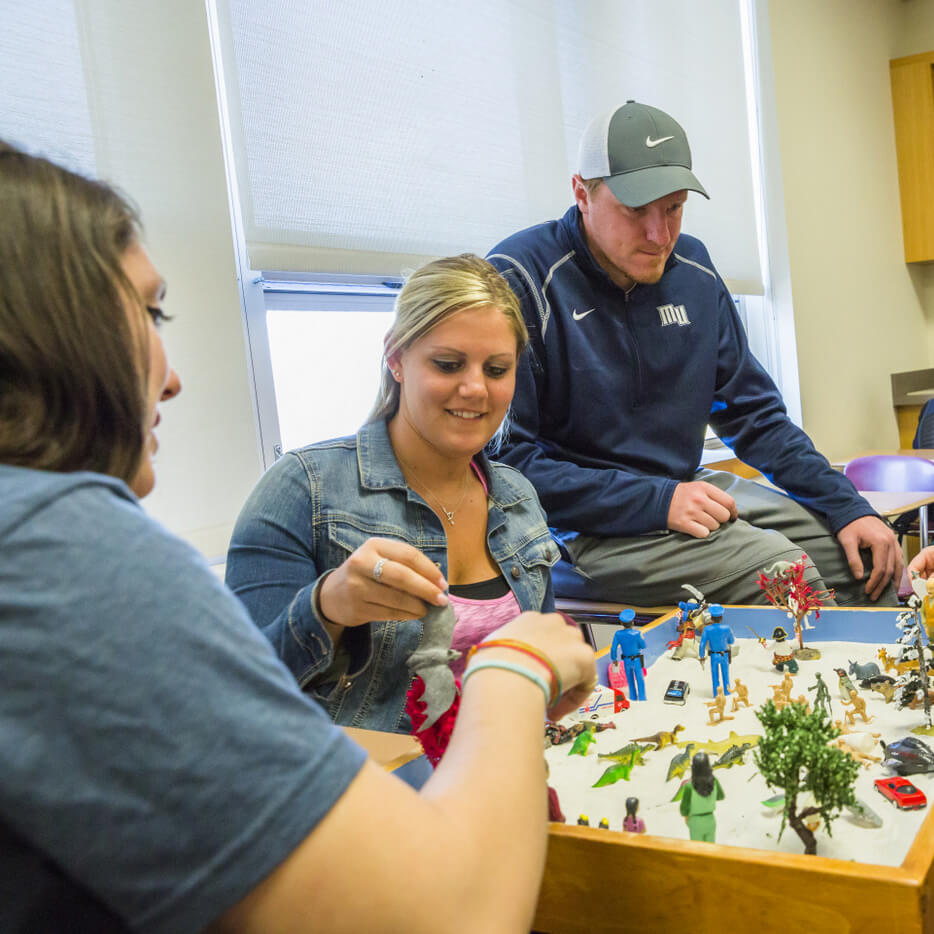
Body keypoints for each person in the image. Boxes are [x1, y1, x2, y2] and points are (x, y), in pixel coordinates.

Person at [0, 143, 597, 933]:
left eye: (497, 368)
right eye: (150, 313)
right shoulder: (73, 551)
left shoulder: (516, 495)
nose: (170, 376)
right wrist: (511, 663)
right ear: (57, 331)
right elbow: (452, 914)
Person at [486, 100, 902, 607]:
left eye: (674, 207)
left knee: (864, 560)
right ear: (582, 193)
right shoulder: (520, 277)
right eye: (636, 211)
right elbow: (506, 468)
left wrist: (849, 507)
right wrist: (656, 501)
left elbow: (757, 418)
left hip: (685, 487)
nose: (659, 235)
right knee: (789, 580)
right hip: (578, 527)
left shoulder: (694, 269)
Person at [226, 254, 561, 731]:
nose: (474, 389)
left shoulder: (517, 497)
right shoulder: (304, 489)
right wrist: (326, 608)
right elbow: (238, 691)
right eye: (448, 364)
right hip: (370, 790)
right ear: (396, 357)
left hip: (506, 778)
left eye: (496, 369)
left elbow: (542, 667)